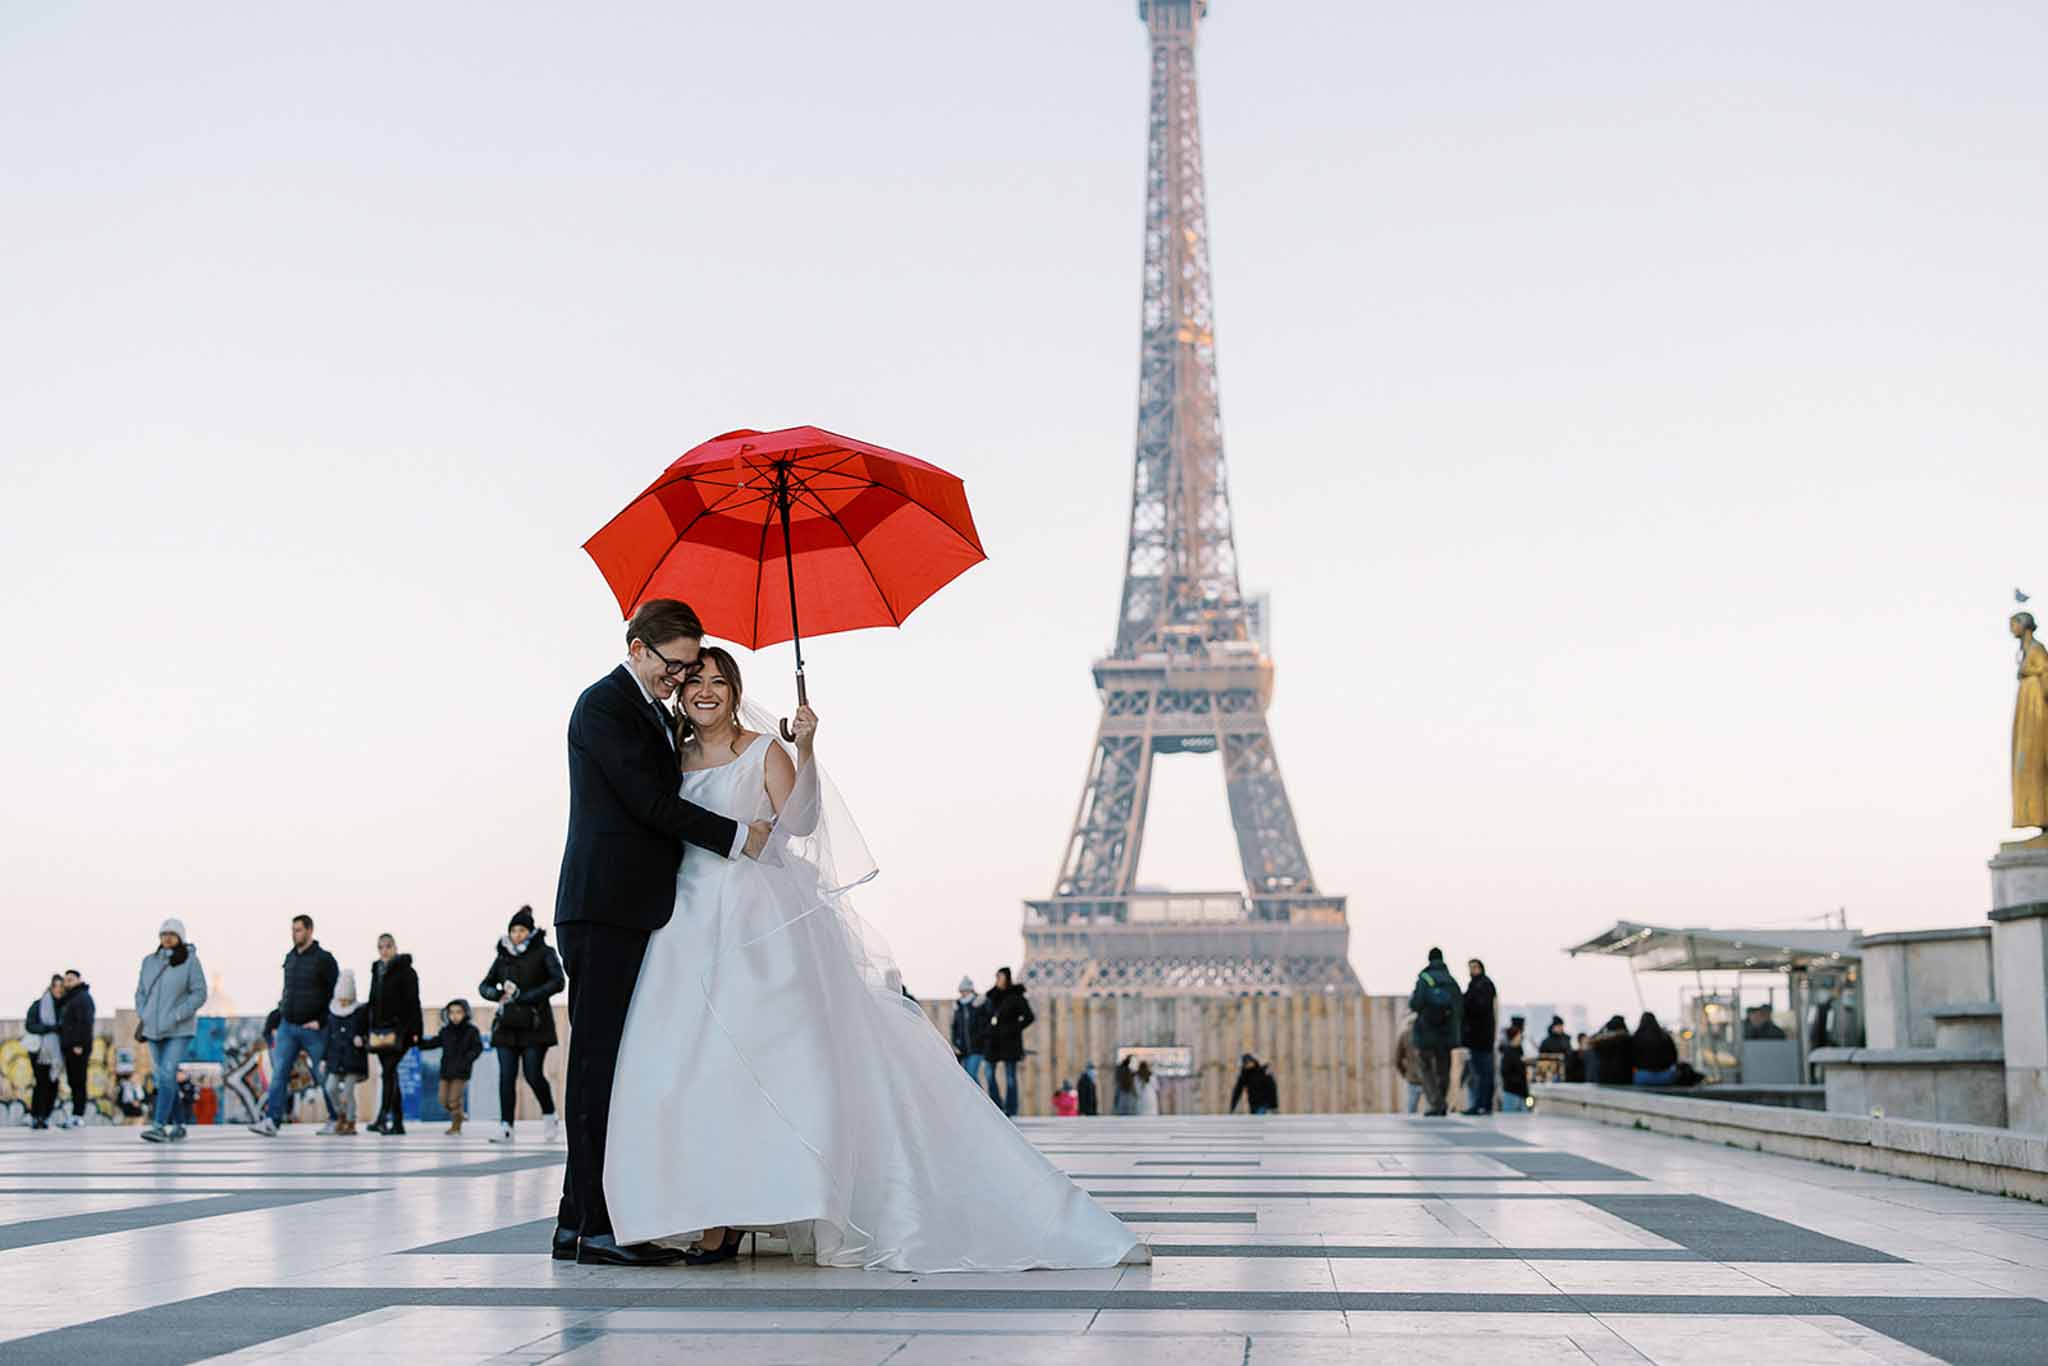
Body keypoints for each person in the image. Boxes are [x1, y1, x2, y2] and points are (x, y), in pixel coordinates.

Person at [602, 639, 1143, 1271]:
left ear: (735, 689)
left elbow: (799, 827)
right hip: (687, 921)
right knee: (696, 1069)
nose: (705, 691)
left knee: (757, 1061)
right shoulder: (673, 758)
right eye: (694, 678)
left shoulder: (764, 751)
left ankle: (737, 1218)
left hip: (753, 920)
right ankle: (715, 1206)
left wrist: (804, 747)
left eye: (719, 681)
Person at [552, 601, 773, 1268]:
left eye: (689, 668)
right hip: (604, 909)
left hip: (633, 907)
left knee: (614, 1068)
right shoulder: (605, 706)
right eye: (674, 666)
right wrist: (739, 837)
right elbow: (648, 802)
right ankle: (591, 1227)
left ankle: (582, 1220)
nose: (681, 680)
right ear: (638, 647)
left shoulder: (648, 708)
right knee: (594, 1068)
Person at [478, 905, 565, 1143]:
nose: (517, 934)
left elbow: (558, 981)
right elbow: (484, 985)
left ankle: (549, 1116)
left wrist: (527, 997)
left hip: (535, 1025)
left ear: (530, 931)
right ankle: (506, 1126)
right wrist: (496, 994)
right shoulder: (503, 955)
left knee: (532, 1073)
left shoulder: (544, 952)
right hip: (506, 1025)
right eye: (514, 930)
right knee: (506, 1076)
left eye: (522, 930)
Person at [249, 916, 338, 1137]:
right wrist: (276, 1018)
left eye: (298, 930)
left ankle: (336, 1119)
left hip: (314, 1029)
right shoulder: (290, 958)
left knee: (323, 1073)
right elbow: (288, 993)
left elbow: (334, 994)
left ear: (309, 930)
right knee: (279, 1073)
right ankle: (272, 1120)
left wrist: (321, 1020)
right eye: (293, 930)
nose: (294, 934)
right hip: (288, 1026)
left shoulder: (324, 959)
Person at [136, 918, 208, 1143]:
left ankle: (158, 1125)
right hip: (153, 1030)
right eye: (163, 934)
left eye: (172, 934)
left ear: (180, 938)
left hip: (179, 1029)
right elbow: (141, 992)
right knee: (163, 1078)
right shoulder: (149, 962)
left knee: (167, 1072)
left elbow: (199, 993)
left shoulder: (190, 962)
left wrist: (178, 1014)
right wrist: (143, 1014)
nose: (167, 938)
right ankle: (179, 1124)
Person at [366, 933, 423, 1135]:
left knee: (388, 1072)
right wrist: (369, 1026)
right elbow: (373, 1001)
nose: (384, 950)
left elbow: (413, 1002)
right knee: (391, 1074)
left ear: (395, 947)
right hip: (380, 1032)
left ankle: (383, 1116)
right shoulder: (377, 971)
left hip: (401, 1031)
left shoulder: (406, 972)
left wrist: (416, 1031)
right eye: (381, 947)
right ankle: (397, 1122)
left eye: (388, 946)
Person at [1407, 948, 1462, 1116]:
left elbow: (1415, 1004)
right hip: (1446, 1034)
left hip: (1427, 1032)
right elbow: (1459, 1007)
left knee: (1425, 1066)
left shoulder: (1424, 978)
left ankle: (1436, 1102)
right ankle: (1441, 1102)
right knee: (1443, 1069)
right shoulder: (1452, 981)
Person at [420, 999, 485, 1135]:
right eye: (451, 1012)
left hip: (461, 1072)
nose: (455, 1015)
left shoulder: (471, 1031)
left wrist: (467, 1060)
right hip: (446, 1071)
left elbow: (477, 1048)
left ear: (465, 1013)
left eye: (458, 1012)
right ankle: (460, 1115)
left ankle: (456, 1127)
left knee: (454, 1100)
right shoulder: (445, 1031)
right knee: (443, 1100)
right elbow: (433, 1042)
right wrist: (419, 1042)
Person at [320, 970, 369, 1136]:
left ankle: (350, 1120)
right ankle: (340, 1114)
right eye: (342, 999)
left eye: (347, 999)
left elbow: (366, 1031)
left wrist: (361, 1038)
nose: (344, 1002)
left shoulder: (359, 1012)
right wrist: (324, 1059)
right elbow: (328, 1037)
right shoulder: (332, 1013)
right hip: (335, 1059)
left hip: (353, 1059)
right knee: (330, 1087)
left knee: (348, 1092)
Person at [983, 966, 1035, 1118]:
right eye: (996, 977)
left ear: (1006, 978)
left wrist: (1014, 1028)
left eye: (1000, 977)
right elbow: (985, 1016)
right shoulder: (992, 996)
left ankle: (1011, 1108)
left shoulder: (1016, 997)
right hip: (993, 1041)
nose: (997, 980)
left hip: (1009, 1041)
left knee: (1010, 1076)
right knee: (989, 1073)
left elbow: (1029, 1017)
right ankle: (997, 1105)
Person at [23, 974, 66, 1130]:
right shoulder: (38, 1005)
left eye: (62, 986)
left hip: (56, 1053)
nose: (59, 989)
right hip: (40, 1051)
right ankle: (37, 1116)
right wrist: (49, 1028)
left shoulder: (64, 1006)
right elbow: (30, 1025)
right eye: (57, 986)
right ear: (51, 987)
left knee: (53, 1084)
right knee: (41, 1084)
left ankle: (46, 1115)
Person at [58, 970, 98, 1127]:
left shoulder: (82, 998)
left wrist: (79, 1044)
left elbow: (85, 1023)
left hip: (78, 1047)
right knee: (73, 1081)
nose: (68, 982)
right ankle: (76, 1113)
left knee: (79, 1081)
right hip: (70, 1046)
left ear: (79, 980)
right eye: (66, 980)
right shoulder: (70, 998)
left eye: (71, 979)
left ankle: (78, 1115)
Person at [1461, 958, 1497, 1115]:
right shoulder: (1478, 985)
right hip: (1479, 1037)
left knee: (1482, 1074)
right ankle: (1482, 1105)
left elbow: (1478, 1008)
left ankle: (1481, 1105)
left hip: (1481, 1038)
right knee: (1482, 1074)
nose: (1472, 971)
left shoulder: (1483, 985)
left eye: (1475, 967)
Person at [950, 977, 989, 1087]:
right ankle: (975, 1102)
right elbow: (954, 1027)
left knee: (971, 1075)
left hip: (977, 1047)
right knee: (966, 1077)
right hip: (963, 1049)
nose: (963, 994)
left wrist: (981, 1039)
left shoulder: (979, 1004)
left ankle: (982, 1101)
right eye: (961, 991)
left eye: (965, 991)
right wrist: (955, 1043)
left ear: (971, 990)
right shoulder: (959, 1007)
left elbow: (985, 1025)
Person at [1631, 1012, 1680, 1085]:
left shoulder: (1636, 1037)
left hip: (1642, 1076)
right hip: (1665, 1076)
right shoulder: (1665, 1037)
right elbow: (1674, 1056)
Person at [1588, 1015, 1633, 1084]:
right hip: (1623, 1075)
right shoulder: (1626, 1038)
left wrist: (1603, 1029)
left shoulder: (1601, 1040)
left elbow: (1590, 1040)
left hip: (1603, 1075)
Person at [1499, 1023, 1531, 1113]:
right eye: (1519, 1035)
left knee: (1525, 1116)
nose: (1521, 1037)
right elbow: (1505, 1072)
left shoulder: (1519, 1051)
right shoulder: (1508, 1053)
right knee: (1510, 1118)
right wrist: (1518, 1080)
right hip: (1512, 1092)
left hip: (1522, 1093)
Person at [1395, 1013, 1423, 1114]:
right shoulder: (1429, 1033)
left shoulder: (1405, 1034)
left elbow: (1397, 1059)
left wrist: (1405, 1074)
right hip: (1430, 1078)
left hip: (1412, 1076)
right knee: (1434, 1108)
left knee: (1411, 1107)